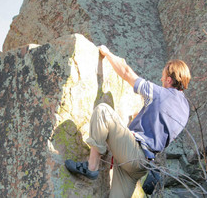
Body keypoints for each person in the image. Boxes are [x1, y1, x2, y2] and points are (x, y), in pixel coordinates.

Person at [65, 45, 191, 197]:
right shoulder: (185, 110)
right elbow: (161, 125)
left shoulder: (158, 93)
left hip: (132, 153)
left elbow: (126, 72)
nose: (161, 79)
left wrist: (107, 53)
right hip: (141, 166)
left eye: (163, 77)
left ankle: (91, 168)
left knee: (103, 111)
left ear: (169, 80)